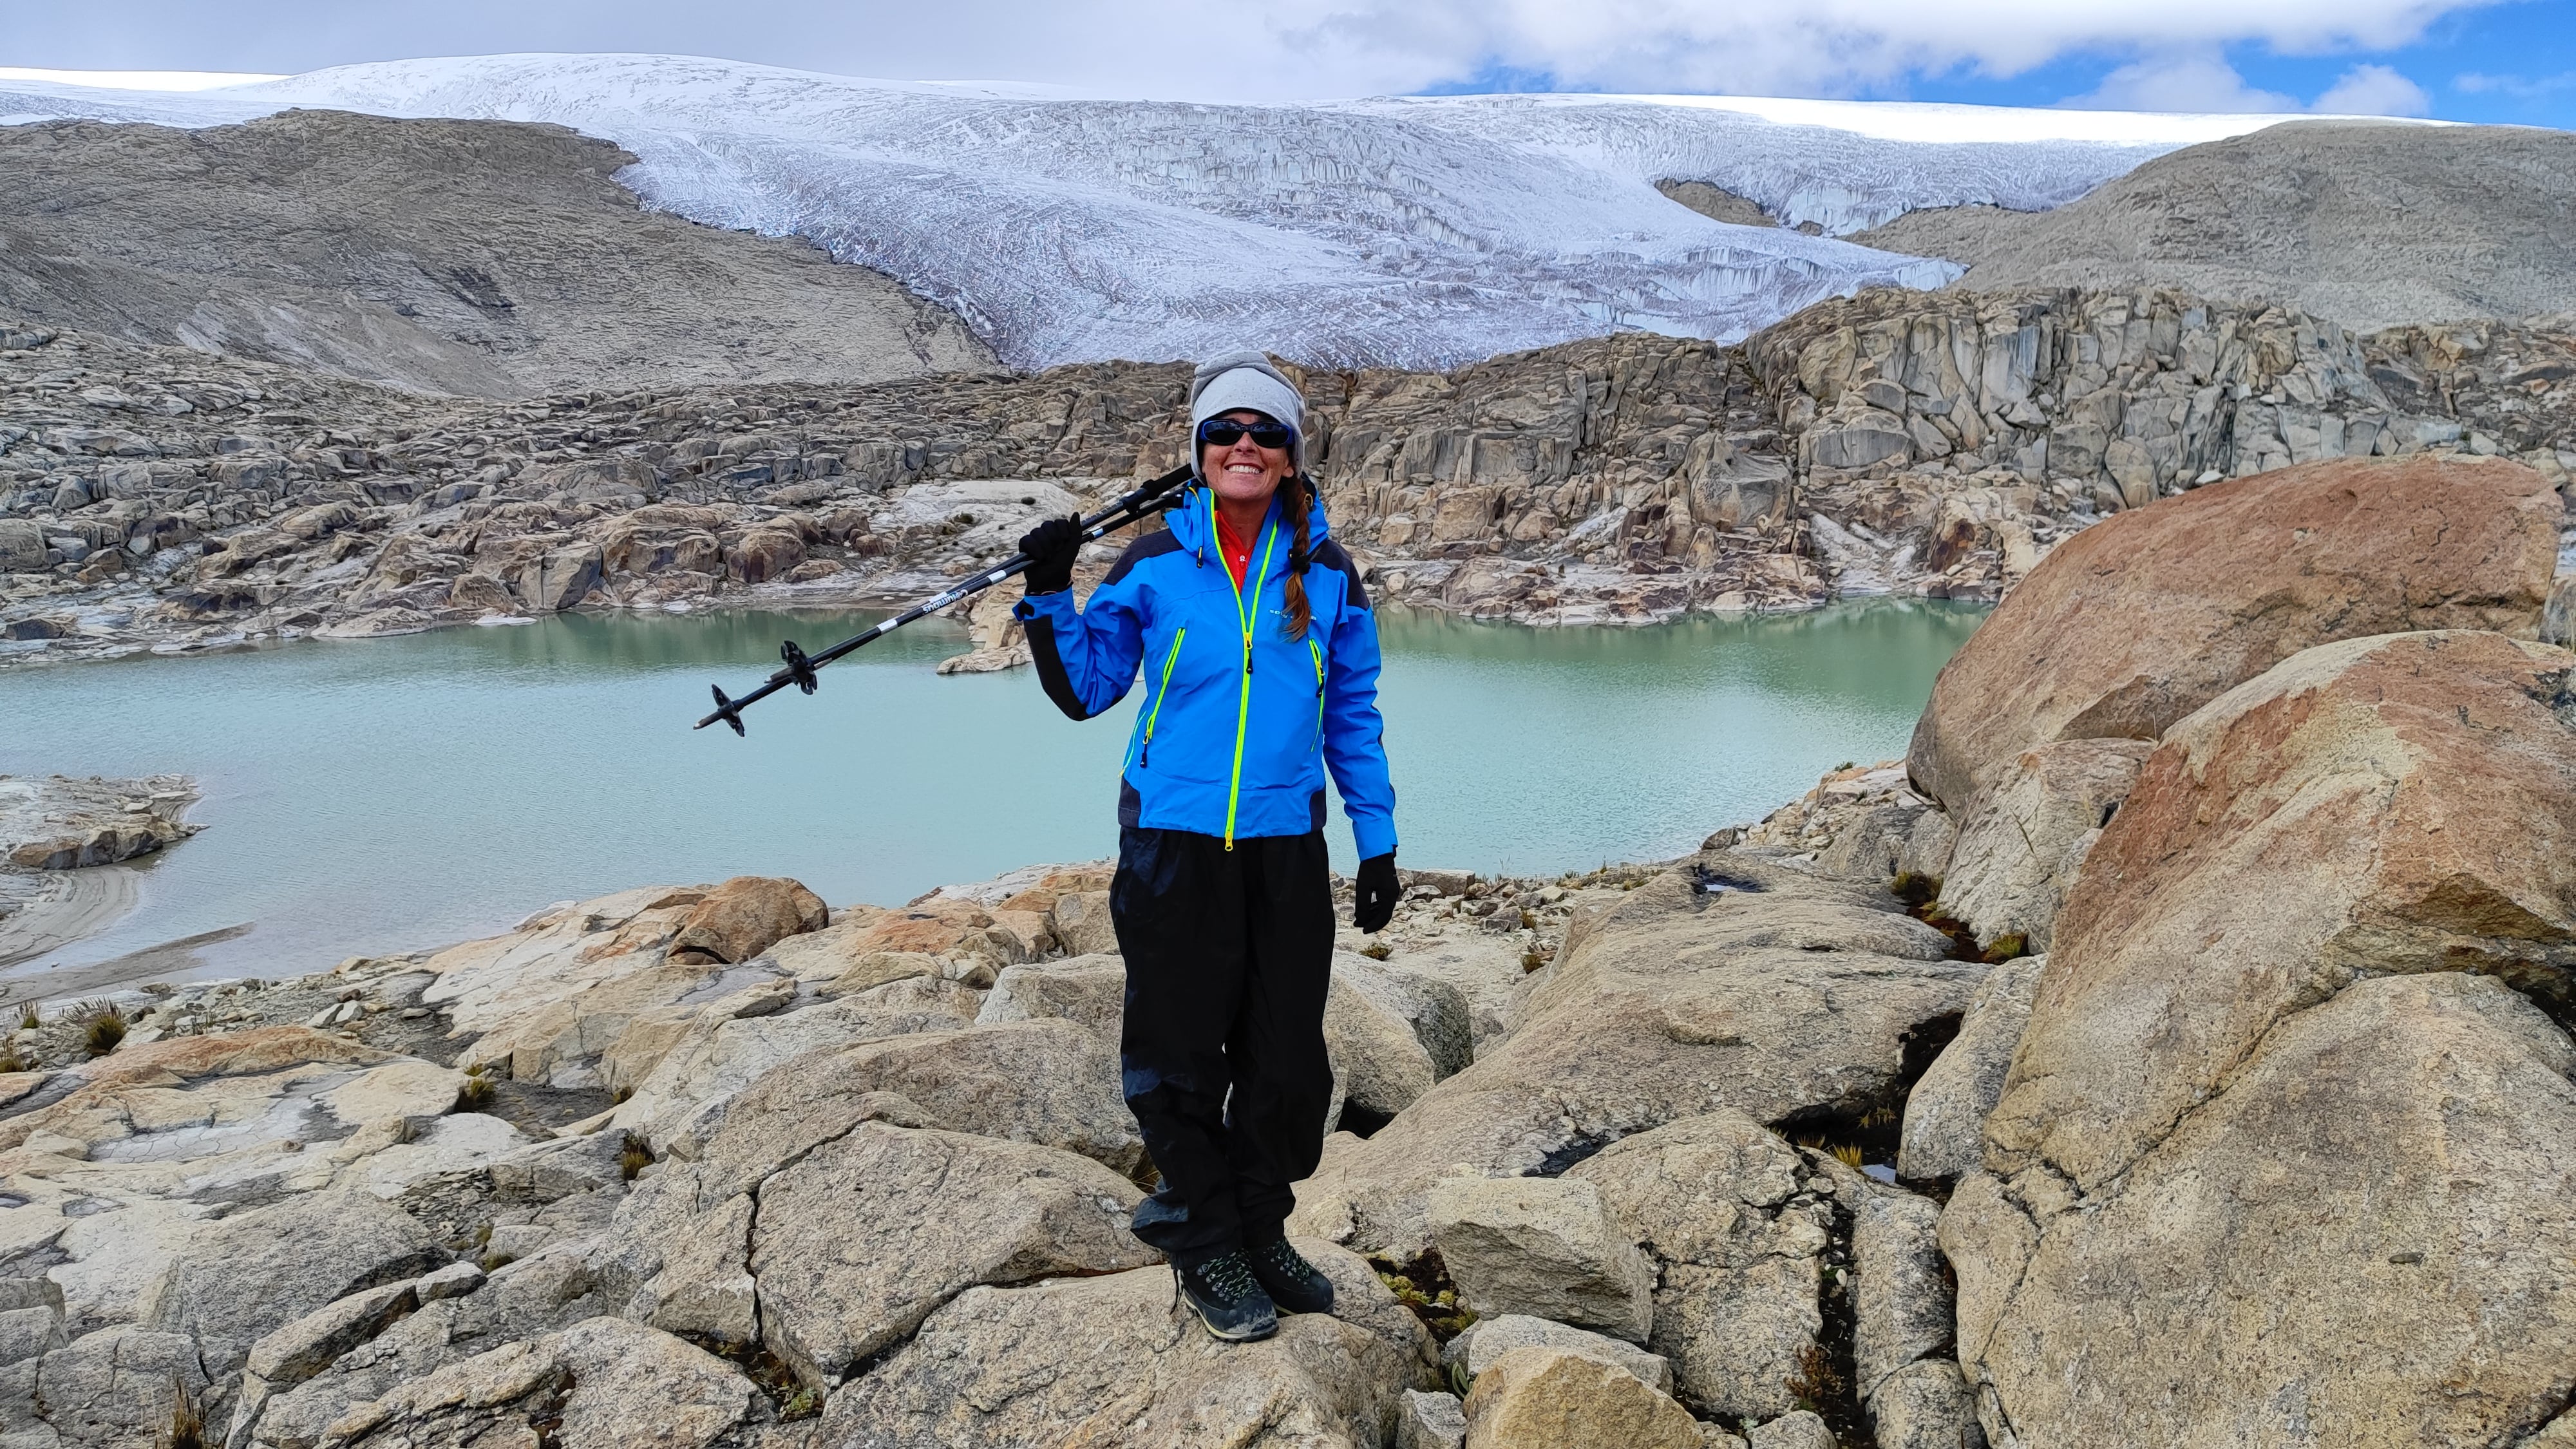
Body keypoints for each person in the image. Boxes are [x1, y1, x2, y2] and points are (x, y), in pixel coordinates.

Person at [1012, 350, 1401, 1343]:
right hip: (1174, 846)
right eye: (1226, 430)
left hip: (1283, 849)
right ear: (1198, 448)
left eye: (1265, 433)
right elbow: (1087, 690)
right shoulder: (1153, 563)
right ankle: (1203, 1237)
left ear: (1290, 454)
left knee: (1283, 1060)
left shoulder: (1330, 571)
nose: (1245, 446)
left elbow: (1351, 711)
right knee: (1179, 1056)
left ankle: (1260, 1224)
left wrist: (1381, 839)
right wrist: (1052, 593)